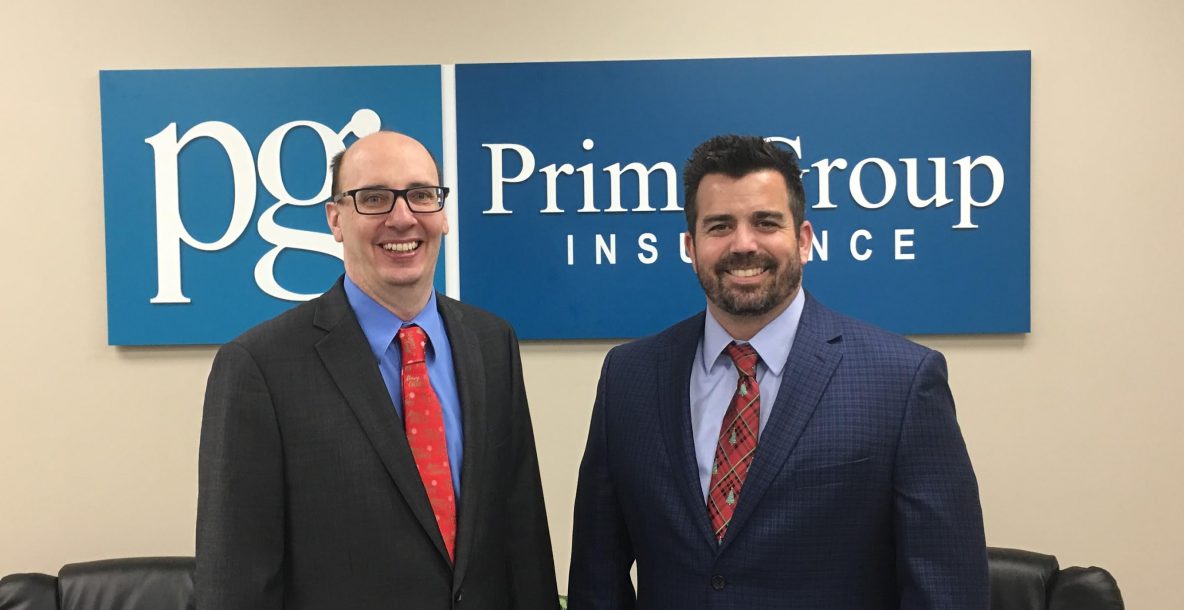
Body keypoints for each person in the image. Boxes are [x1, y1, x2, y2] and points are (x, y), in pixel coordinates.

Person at [568, 134, 988, 609]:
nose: (743, 245)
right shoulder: (629, 377)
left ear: (804, 239)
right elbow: (595, 578)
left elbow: (949, 591)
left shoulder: (903, 381)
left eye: (766, 223)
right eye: (719, 226)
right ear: (690, 246)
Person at [197, 131, 559, 610]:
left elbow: (523, 538)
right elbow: (236, 583)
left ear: (443, 213)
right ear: (335, 219)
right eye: (374, 199)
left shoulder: (491, 343)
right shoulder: (259, 367)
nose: (403, 217)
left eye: (421, 195)